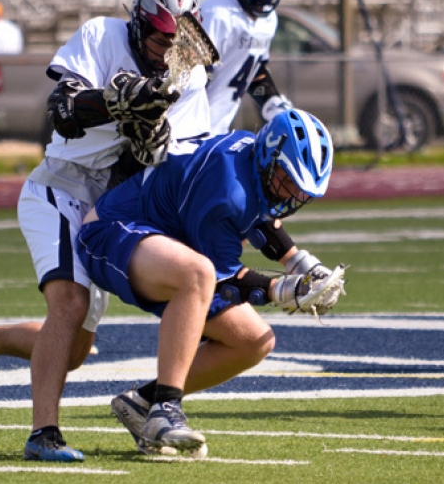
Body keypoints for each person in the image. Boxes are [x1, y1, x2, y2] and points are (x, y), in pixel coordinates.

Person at [0, 0, 211, 463]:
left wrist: (153, 139)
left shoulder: (187, 74)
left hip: (112, 208)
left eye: (177, 42)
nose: (168, 53)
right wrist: (117, 103)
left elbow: (178, 159)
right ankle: (43, 434)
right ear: (137, 26)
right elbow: (61, 112)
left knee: (73, 350)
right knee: (68, 305)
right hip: (61, 187)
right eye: (159, 40)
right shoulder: (102, 36)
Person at [78, 109, 342, 455]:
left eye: (301, 188)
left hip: (166, 244)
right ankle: (166, 409)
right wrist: (283, 290)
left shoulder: (252, 160)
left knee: (253, 341)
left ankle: (143, 403)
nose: (292, 194)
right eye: (289, 179)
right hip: (112, 231)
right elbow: (226, 278)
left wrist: (302, 263)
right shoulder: (227, 187)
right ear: (270, 156)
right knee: (198, 274)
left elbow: (258, 216)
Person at [201, 0, 291, 135]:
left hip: (217, 130)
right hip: (186, 131)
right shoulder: (215, 14)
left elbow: (253, 72)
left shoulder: (269, 20)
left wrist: (272, 103)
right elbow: (190, 77)